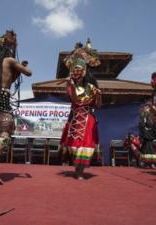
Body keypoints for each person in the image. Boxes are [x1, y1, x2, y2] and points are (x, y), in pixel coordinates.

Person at [0, 30, 32, 184]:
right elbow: (29, 73)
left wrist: (17, 69)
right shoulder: (9, 60)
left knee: (8, 128)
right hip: (2, 97)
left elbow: (10, 78)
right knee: (5, 134)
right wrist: (23, 66)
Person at [59, 39, 101, 180]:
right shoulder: (71, 87)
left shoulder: (92, 88)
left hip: (88, 119)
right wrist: (70, 85)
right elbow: (75, 100)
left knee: (85, 145)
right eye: (74, 70)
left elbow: (98, 105)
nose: (75, 73)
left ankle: (80, 171)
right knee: (75, 147)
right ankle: (77, 168)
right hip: (75, 118)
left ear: (83, 72)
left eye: (78, 70)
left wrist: (99, 95)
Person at [138, 102, 156, 168]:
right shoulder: (143, 115)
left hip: (152, 134)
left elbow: (152, 124)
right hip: (146, 135)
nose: (147, 108)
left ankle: (152, 163)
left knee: (151, 149)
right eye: (146, 107)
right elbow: (142, 125)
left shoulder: (152, 115)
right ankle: (146, 163)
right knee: (146, 149)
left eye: (148, 107)